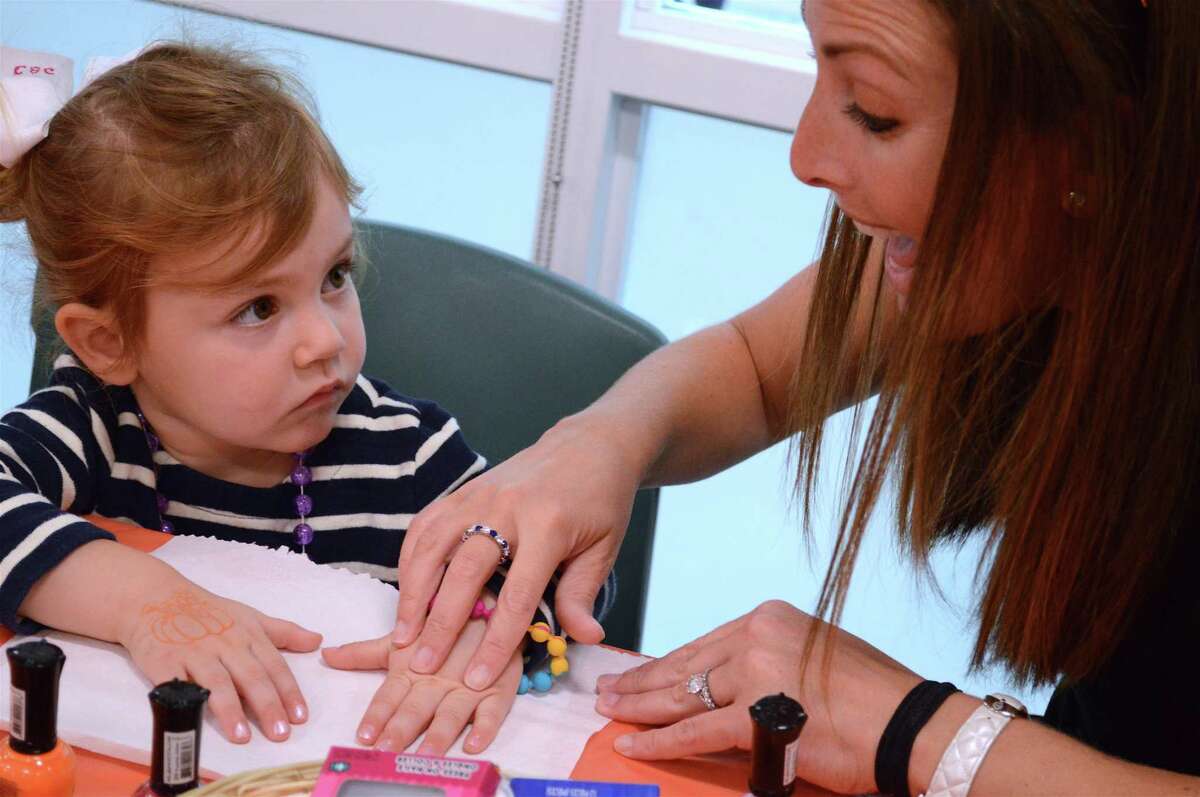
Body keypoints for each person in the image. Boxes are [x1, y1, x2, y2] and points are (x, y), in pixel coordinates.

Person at [392, 0, 1200, 792]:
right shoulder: (1035, 248)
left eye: (874, 112)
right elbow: (753, 364)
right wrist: (600, 440)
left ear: (1094, 148)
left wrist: (917, 728)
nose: (806, 156)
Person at [0, 42, 538, 755]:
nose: (324, 340)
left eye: (334, 276)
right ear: (110, 343)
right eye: (257, 307)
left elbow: (557, 569)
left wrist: (485, 621)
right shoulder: (93, 423)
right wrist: (142, 599)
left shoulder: (411, 456)